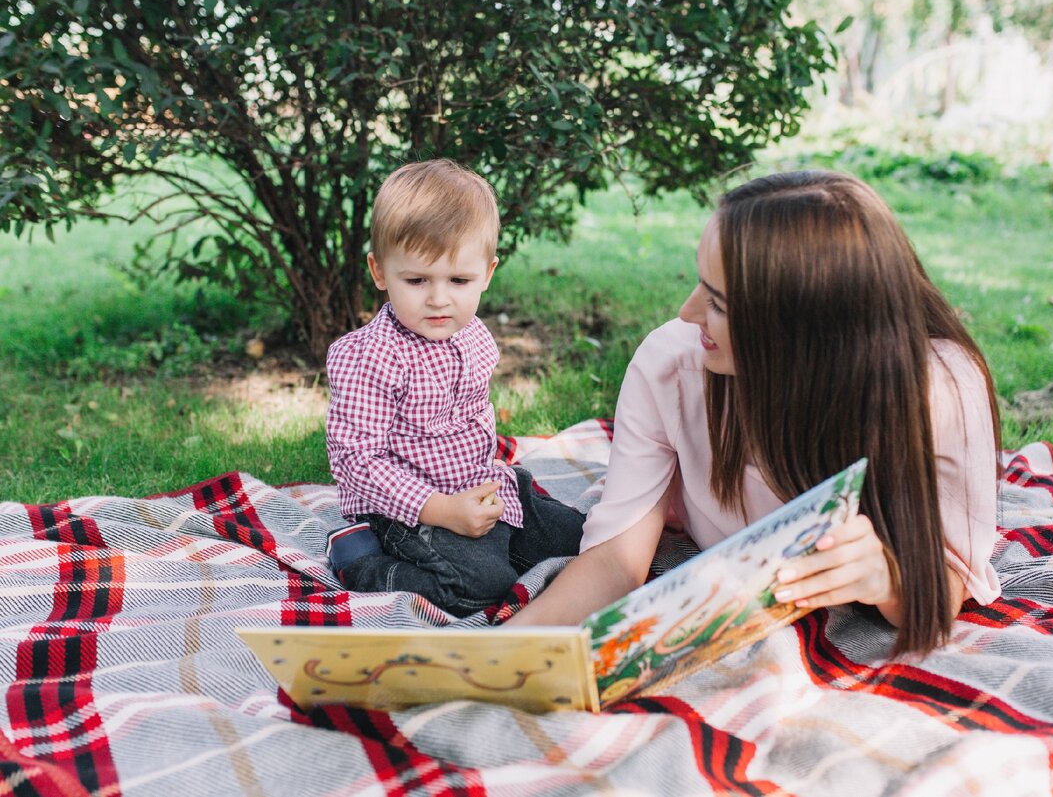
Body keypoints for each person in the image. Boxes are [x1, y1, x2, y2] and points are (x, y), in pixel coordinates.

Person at [507, 170, 1002, 655]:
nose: (687, 311)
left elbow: (948, 580)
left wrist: (891, 581)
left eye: (718, 303)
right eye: (701, 284)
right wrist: (498, 650)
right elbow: (616, 560)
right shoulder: (673, 364)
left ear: (803, 329)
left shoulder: (938, 389)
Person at [324, 159, 585, 617]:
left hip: (478, 486)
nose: (439, 299)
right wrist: (441, 510)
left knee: (583, 539)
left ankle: (503, 542)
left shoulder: (472, 335)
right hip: (403, 512)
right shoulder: (369, 356)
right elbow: (357, 462)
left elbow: (470, 423)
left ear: (487, 273)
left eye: (459, 281)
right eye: (417, 280)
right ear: (380, 271)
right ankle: (362, 562)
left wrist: (487, 490)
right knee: (481, 588)